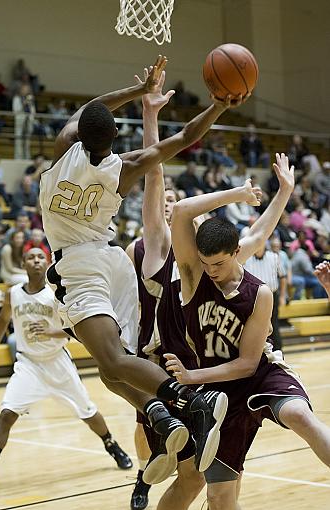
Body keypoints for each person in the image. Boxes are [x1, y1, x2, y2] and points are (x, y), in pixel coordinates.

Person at [39, 55, 245, 484]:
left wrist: (136, 91)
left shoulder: (61, 151)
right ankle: (161, 417)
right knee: (112, 367)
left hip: (79, 267)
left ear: (79, 134)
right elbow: (188, 135)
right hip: (113, 263)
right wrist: (220, 105)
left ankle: (192, 402)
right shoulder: (125, 169)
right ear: (114, 135)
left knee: (112, 360)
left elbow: (91, 109)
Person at [167, 153, 330, 509]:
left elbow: (246, 365)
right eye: (206, 262)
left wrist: (192, 376)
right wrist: (237, 194)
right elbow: (180, 212)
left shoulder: (260, 293)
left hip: (257, 373)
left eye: (219, 263)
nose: (211, 270)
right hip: (217, 394)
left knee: (300, 416)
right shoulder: (194, 276)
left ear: (236, 253)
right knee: (220, 497)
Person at [126, 71, 205, 510]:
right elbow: (155, 176)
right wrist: (149, 115)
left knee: (200, 454)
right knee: (147, 429)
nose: (170, 206)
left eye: (180, 204)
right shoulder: (150, 247)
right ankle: (143, 475)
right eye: (166, 205)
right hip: (153, 352)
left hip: (194, 358)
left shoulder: (199, 259)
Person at [0, 248, 133, 487]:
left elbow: (76, 329)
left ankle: (111, 444)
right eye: (30, 258)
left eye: (40, 258)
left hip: (57, 361)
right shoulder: (13, 294)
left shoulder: (56, 295)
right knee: (7, 413)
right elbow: (2, 321)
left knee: (87, 411)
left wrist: (50, 331)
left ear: (46, 263)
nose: (36, 261)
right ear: (23, 264)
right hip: (28, 364)